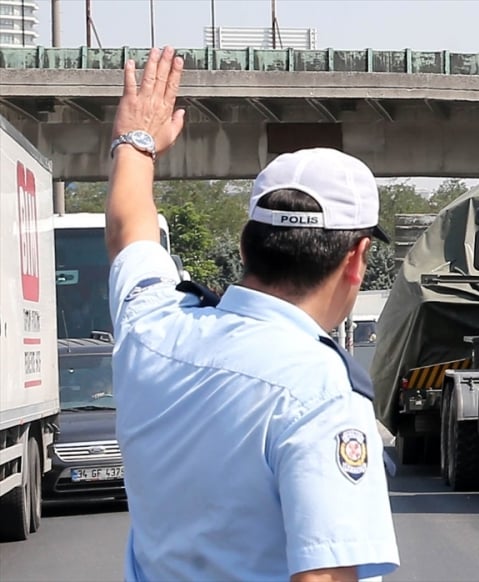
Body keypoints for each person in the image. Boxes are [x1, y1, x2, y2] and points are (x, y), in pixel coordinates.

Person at [105, 47, 398, 582]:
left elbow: (130, 231)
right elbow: (324, 575)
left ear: (245, 244)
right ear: (358, 258)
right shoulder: (321, 391)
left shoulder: (153, 328)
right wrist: (135, 147)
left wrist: (136, 142)